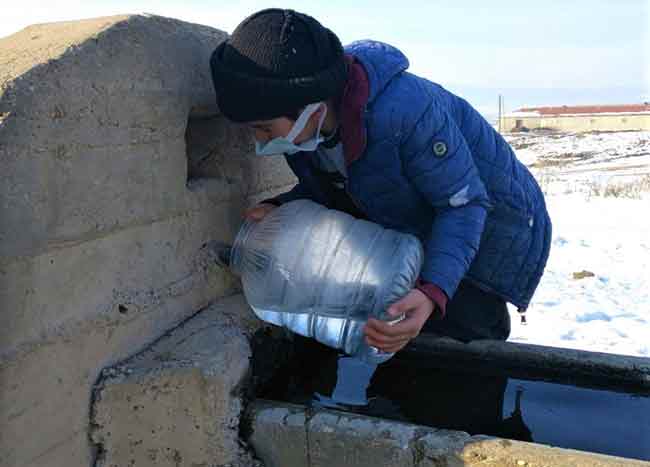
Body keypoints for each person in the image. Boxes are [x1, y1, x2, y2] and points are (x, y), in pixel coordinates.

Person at [209, 8, 552, 354]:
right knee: (400, 341)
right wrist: (281, 207)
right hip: (421, 227)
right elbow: (342, 185)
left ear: (310, 106)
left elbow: (463, 204)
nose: (261, 142)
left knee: (463, 344)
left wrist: (432, 291)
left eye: (265, 128)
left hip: (489, 227)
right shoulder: (309, 131)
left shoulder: (404, 112)